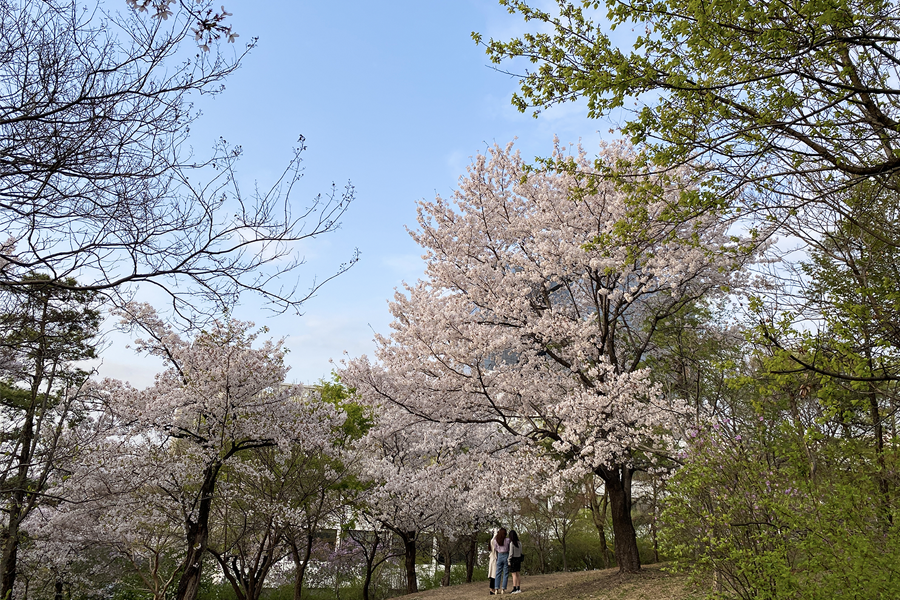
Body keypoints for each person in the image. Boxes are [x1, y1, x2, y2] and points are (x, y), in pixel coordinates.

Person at [490, 527, 510, 594]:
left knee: (498, 573)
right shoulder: (507, 540)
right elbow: (509, 548)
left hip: (500, 555)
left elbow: (495, 548)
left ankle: (496, 588)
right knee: (505, 573)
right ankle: (503, 588)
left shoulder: (496, 540)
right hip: (506, 555)